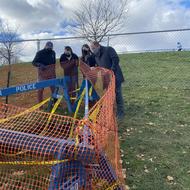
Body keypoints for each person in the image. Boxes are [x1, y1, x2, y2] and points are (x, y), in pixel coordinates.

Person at [90, 41, 125, 119]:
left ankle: (121, 113)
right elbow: (101, 67)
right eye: (91, 49)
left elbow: (116, 60)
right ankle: (111, 111)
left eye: (93, 48)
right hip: (106, 79)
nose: (92, 50)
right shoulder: (96, 56)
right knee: (109, 95)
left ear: (97, 45)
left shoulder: (108, 49)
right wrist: (95, 68)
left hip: (115, 76)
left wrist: (112, 71)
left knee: (117, 94)